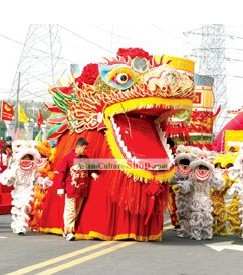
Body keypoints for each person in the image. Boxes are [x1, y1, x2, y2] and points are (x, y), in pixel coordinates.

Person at [57, 137, 99, 241]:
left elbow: (90, 170)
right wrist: (60, 188)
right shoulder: (67, 158)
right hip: (71, 188)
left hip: (82, 188)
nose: (86, 150)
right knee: (70, 210)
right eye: (84, 148)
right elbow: (61, 174)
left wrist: (93, 174)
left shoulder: (86, 158)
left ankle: (66, 229)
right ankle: (69, 232)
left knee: (76, 211)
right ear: (78, 147)